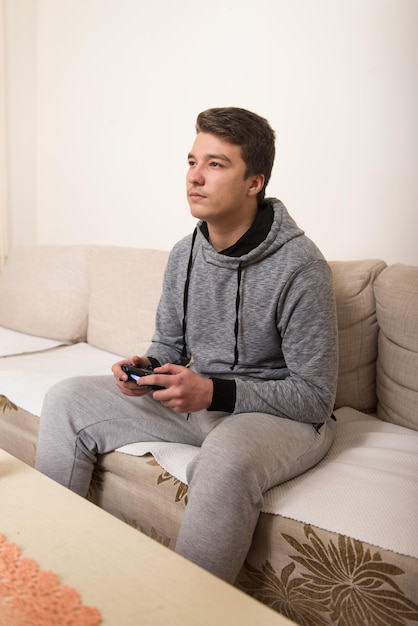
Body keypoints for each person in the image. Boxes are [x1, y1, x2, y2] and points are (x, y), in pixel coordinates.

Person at [35, 107, 338, 584]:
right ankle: (42, 567)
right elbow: (169, 344)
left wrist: (213, 393)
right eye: (192, 161)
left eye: (216, 164)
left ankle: (189, 607)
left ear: (254, 182)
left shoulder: (302, 268)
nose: (194, 177)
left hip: (277, 419)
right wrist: (148, 367)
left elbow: (316, 397)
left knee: (223, 458)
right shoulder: (185, 253)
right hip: (199, 404)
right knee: (66, 398)